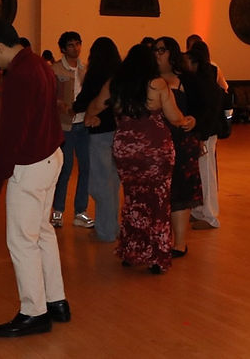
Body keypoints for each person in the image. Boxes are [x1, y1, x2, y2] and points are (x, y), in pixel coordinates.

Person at [0, 19, 70, 338]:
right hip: (51, 155)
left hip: (31, 163)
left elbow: (14, 132)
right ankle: (56, 302)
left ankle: (34, 312)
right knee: (41, 232)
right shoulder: (39, 63)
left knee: (21, 240)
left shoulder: (19, 75)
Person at [89, 44, 194, 274]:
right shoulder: (157, 84)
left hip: (126, 149)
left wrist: (91, 118)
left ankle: (131, 252)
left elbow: (95, 107)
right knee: (157, 201)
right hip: (155, 150)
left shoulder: (114, 84)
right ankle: (156, 257)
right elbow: (174, 117)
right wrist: (188, 120)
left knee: (134, 199)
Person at [154, 36, 202, 256]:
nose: (157, 54)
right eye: (155, 50)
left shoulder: (188, 80)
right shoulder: (149, 80)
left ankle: (179, 242)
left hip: (182, 143)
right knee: (157, 193)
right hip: (155, 144)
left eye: (162, 50)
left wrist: (194, 120)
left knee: (181, 191)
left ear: (172, 53)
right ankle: (158, 239)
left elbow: (203, 108)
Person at [75, 37, 122, 243]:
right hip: (118, 131)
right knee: (113, 182)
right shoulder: (120, 74)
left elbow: (84, 101)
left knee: (100, 182)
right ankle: (112, 225)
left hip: (99, 130)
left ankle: (106, 230)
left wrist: (73, 108)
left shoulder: (96, 74)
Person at [50, 31, 93, 229]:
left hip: (83, 124)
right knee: (65, 169)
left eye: (78, 44)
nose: (75, 48)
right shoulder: (56, 69)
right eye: (71, 45)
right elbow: (49, 95)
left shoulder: (86, 69)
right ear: (63, 48)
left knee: (86, 168)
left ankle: (80, 212)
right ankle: (58, 211)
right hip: (65, 125)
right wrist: (60, 104)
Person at [186, 40, 224, 230]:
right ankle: (199, 210)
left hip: (206, 133)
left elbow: (208, 112)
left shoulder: (205, 81)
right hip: (204, 131)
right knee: (199, 172)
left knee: (206, 173)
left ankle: (210, 216)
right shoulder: (206, 77)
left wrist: (202, 136)